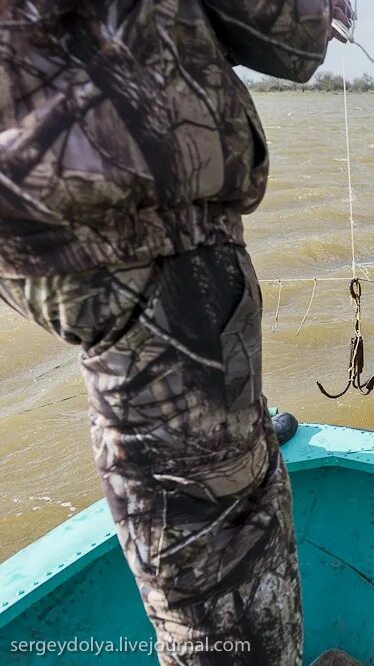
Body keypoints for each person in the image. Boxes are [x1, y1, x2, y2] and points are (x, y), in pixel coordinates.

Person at [0, 1, 353, 663]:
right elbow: (288, 38)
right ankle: (210, 466)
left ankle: (210, 454)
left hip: (42, 233)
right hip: (147, 232)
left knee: (160, 462)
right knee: (218, 572)